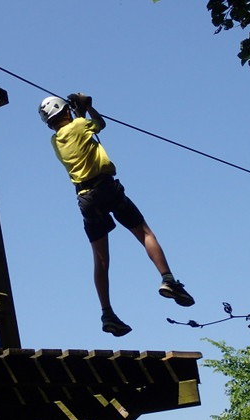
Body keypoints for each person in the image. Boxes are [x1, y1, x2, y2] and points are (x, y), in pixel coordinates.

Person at [38, 93, 194, 337]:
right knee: (144, 232)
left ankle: (107, 312)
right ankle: (168, 279)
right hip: (106, 187)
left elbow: (80, 132)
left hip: (85, 198)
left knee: (101, 260)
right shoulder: (80, 123)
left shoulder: (55, 141)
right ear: (66, 112)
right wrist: (89, 106)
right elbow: (99, 124)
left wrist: (79, 111)